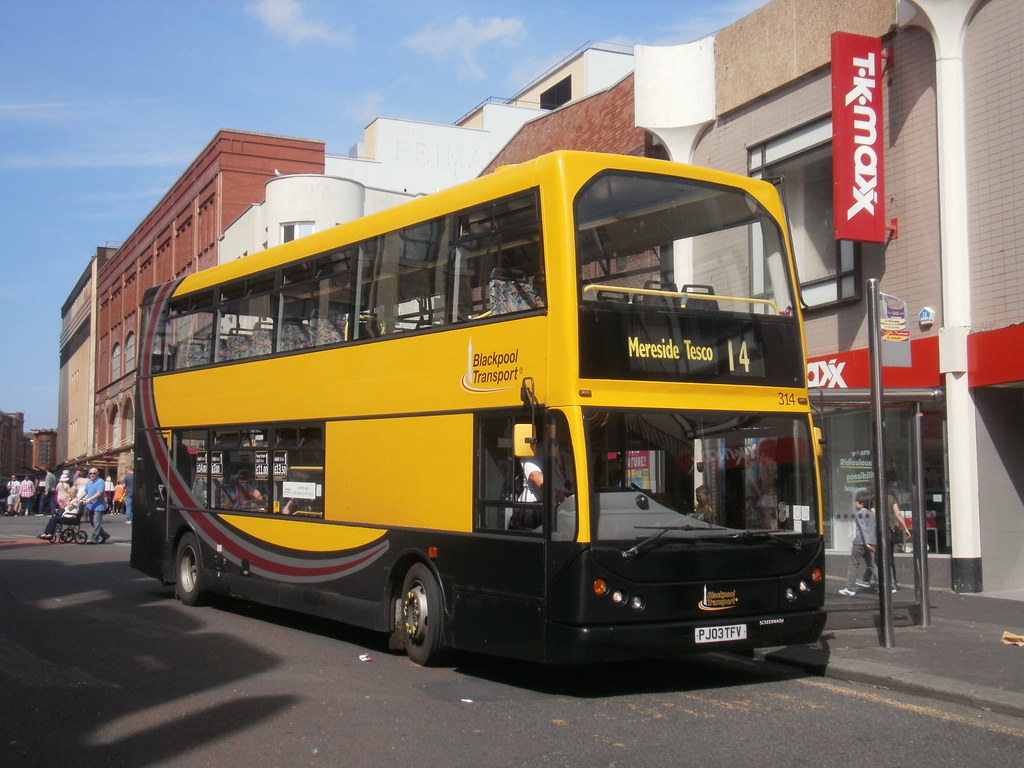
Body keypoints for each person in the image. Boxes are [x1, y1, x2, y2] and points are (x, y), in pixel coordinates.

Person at [839, 489, 878, 596]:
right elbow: (873, 528)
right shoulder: (872, 514)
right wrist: (870, 543)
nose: (855, 503)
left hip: (860, 543)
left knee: (853, 565)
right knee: (872, 565)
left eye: (856, 501)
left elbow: (863, 528)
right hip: (872, 543)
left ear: (861, 504)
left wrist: (866, 543)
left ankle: (850, 588)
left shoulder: (859, 514)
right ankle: (886, 584)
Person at [38, 471, 73, 540]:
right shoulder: (67, 485)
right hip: (65, 496)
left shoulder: (58, 484)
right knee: (63, 507)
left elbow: (56, 490)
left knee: (60, 507)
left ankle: (48, 533)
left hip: (60, 496)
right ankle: (48, 533)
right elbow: (69, 492)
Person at [83, 467, 110, 544]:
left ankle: (94, 539)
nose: (92, 475)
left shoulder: (100, 481)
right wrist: (78, 498)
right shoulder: (89, 482)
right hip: (91, 506)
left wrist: (89, 499)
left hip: (98, 506)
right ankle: (104, 535)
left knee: (96, 523)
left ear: (97, 474)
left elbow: (99, 493)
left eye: (94, 473)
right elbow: (85, 491)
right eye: (90, 473)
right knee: (92, 522)